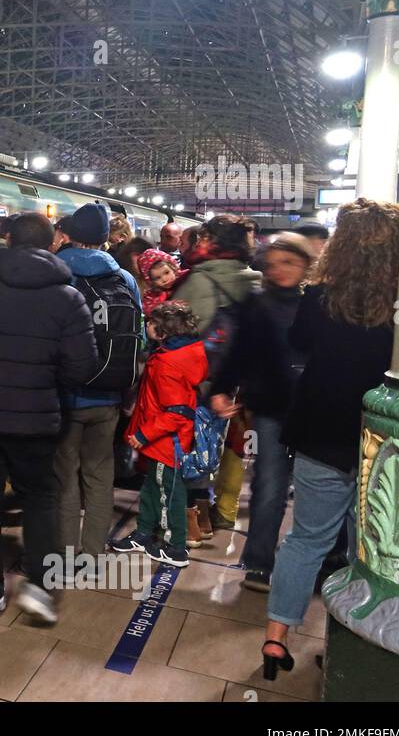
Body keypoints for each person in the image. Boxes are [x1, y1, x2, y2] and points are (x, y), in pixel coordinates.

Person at [261, 199, 399, 680]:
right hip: (383, 440)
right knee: (368, 547)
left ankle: (275, 639)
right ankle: (350, 637)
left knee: (305, 539)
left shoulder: (321, 295)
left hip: (321, 429)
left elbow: (299, 344)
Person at [0, 214, 99, 624]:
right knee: (41, 498)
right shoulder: (68, 297)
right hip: (38, 419)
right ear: (53, 244)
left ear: (6, 240)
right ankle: (40, 587)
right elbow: (82, 367)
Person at [209, 233, 316, 592]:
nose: (280, 270)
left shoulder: (319, 303)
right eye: (273, 263)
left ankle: (314, 564)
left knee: (315, 492)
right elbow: (239, 351)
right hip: (271, 408)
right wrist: (221, 388)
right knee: (270, 486)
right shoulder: (256, 303)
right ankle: (258, 564)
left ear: (305, 264)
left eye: (289, 262)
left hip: (315, 409)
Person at [52, 203, 143, 567]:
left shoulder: (58, 273)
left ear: (70, 233)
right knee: (100, 473)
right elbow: (139, 337)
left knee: (64, 474)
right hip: (108, 393)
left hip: (64, 393)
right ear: (107, 238)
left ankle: (65, 551)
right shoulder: (125, 278)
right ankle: (92, 553)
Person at [171, 214, 260, 541]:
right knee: (217, 447)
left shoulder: (201, 280)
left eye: (204, 237)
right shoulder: (254, 280)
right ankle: (210, 515)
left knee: (186, 447)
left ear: (212, 242)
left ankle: (188, 524)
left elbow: (177, 330)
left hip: (199, 380)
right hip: (234, 382)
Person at [109, 302, 208, 568]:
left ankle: (175, 547)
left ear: (163, 332)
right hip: (159, 442)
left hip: (166, 442)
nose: (146, 325)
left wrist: (143, 433)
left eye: (151, 323)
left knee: (169, 494)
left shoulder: (168, 365)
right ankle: (143, 533)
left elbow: (177, 412)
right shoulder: (174, 353)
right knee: (152, 487)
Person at [136, 247, 186, 317]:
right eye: (157, 278)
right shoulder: (152, 296)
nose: (165, 279)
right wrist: (167, 305)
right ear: (151, 281)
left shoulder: (186, 276)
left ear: (173, 267)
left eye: (167, 272)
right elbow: (148, 309)